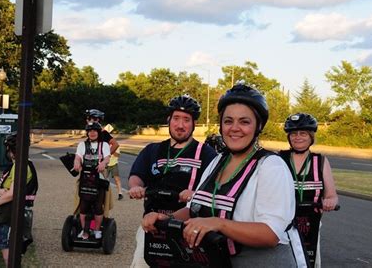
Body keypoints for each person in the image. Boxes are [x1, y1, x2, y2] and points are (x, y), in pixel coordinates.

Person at [142, 82, 306, 267]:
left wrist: (218, 223)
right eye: (228, 121)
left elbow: (270, 234)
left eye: (244, 121)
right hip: (219, 260)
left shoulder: (271, 166)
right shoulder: (217, 162)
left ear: (258, 126)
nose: (234, 128)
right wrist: (167, 219)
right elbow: (194, 209)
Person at [129, 94, 217, 268]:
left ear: (193, 124)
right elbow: (136, 174)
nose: (180, 125)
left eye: (186, 119)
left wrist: (196, 194)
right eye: (176, 118)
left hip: (188, 227)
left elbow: (216, 187)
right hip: (153, 224)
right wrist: (136, 187)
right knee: (141, 262)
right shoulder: (152, 150)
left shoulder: (206, 153)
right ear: (169, 120)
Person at [279, 113, 339, 268]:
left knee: (310, 261)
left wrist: (330, 201)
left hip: (311, 222)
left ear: (311, 136)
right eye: (294, 134)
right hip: (282, 221)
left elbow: (332, 195)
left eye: (303, 133)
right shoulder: (279, 159)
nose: (298, 137)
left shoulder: (320, 161)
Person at [0, 133, 38, 266]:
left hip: (10, 213)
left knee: (10, 255)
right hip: (8, 212)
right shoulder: (18, 165)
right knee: (7, 251)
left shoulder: (21, 165)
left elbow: (12, 194)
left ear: (10, 149)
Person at [73, 122, 111, 240]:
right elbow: (78, 157)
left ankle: (97, 230)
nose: (92, 133)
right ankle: (84, 231)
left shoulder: (103, 145)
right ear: (87, 133)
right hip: (86, 179)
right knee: (83, 206)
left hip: (99, 180)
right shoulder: (82, 145)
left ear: (98, 133)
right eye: (90, 131)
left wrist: (103, 164)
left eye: (95, 131)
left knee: (98, 206)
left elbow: (107, 158)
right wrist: (77, 163)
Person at [85, 109, 121, 200]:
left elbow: (115, 144)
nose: (88, 120)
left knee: (102, 193)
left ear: (97, 119)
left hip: (101, 167)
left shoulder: (103, 133)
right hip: (90, 165)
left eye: (90, 118)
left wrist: (106, 156)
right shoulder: (90, 132)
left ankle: (103, 213)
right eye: (88, 118)